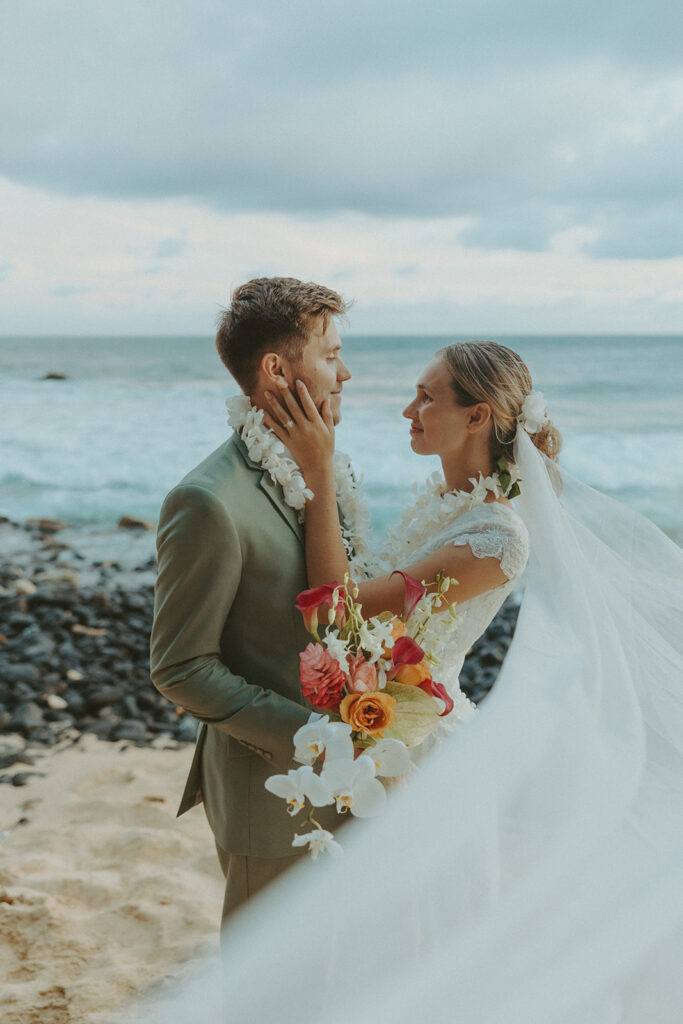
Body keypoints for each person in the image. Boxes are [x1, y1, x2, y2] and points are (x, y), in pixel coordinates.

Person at [149, 276, 356, 927]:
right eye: (330, 355)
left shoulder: (324, 468)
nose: (345, 373)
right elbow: (180, 667)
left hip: (356, 775)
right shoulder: (207, 500)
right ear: (275, 368)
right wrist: (313, 737)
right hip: (272, 799)